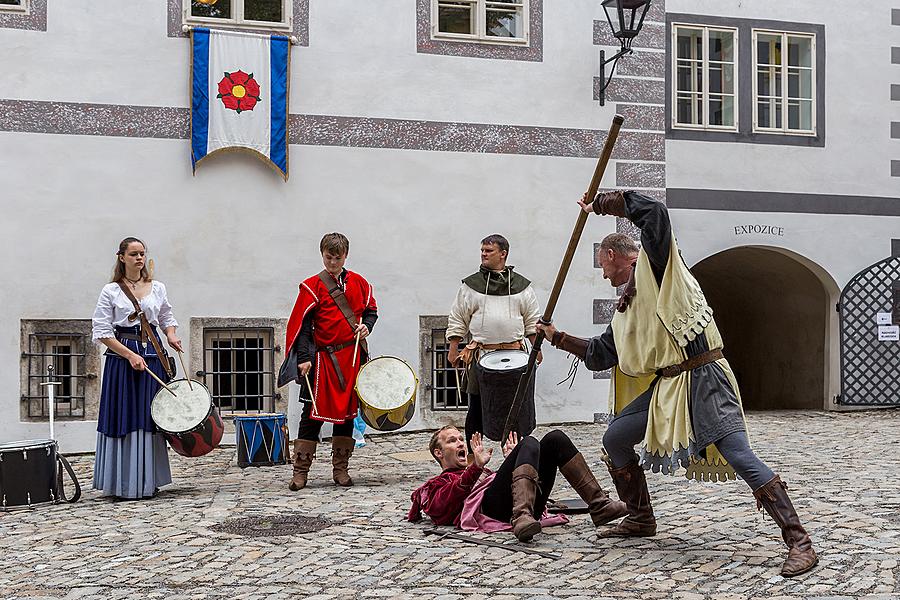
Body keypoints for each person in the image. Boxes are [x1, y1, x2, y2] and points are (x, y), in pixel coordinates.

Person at [537, 190, 818, 577]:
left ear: (618, 257)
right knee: (616, 437)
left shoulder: (659, 269)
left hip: (705, 378)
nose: (603, 275)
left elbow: (654, 213)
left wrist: (601, 204)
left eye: (604, 266)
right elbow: (602, 354)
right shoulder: (625, 311)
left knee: (737, 453)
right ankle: (640, 518)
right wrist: (555, 336)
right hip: (669, 387)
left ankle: (799, 541)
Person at [279, 233, 377, 490]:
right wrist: (303, 359)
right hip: (321, 360)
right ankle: (300, 473)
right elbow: (303, 326)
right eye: (328, 257)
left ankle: (341, 470)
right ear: (322, 255)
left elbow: (371, 311)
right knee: (311, 415)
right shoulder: (312, 285)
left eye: (338, 257)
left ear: (346, 256)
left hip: (351, 356)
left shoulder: (360, 283)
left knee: (346, 414)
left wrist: (366, 326)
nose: (333, 262)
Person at [407, 427, 627, 541]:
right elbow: (444, 508)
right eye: (452, 441)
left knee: (555, 438)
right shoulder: (435, 485)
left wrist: (516, 459)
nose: (460, 443)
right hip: (493, 511)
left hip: (521, 502)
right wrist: (475, 468)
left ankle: (599, 505)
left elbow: (502, 485)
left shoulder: (481, 472)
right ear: (438, 452)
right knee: (528, 442)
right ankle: (521, 516)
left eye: (460, 439)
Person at [91, 237, 182, 499]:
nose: (139, 258)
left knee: (149, 417)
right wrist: (130, 355)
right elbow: (102, 331)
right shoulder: (111, 291)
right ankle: (122, 484)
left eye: (142, 254)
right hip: (122, 362)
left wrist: (172, 335)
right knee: (124, 416)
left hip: (152, 357)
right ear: (121, 257)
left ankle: (147, 481)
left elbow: (166, 317)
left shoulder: (158, 287)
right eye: (133, 254)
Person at [446, 234, 542, 448]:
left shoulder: (522, 286)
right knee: (477, 407)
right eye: (482, 250)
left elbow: (532, 320)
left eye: (489, 251)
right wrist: (453, 349)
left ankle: (520, 455)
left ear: (503, 254)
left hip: (516, 354)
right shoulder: (471, 285)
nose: (483, 254)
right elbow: (458, 317)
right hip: (482, 355)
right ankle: (472, 461)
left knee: (518, 406)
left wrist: (537, 348)